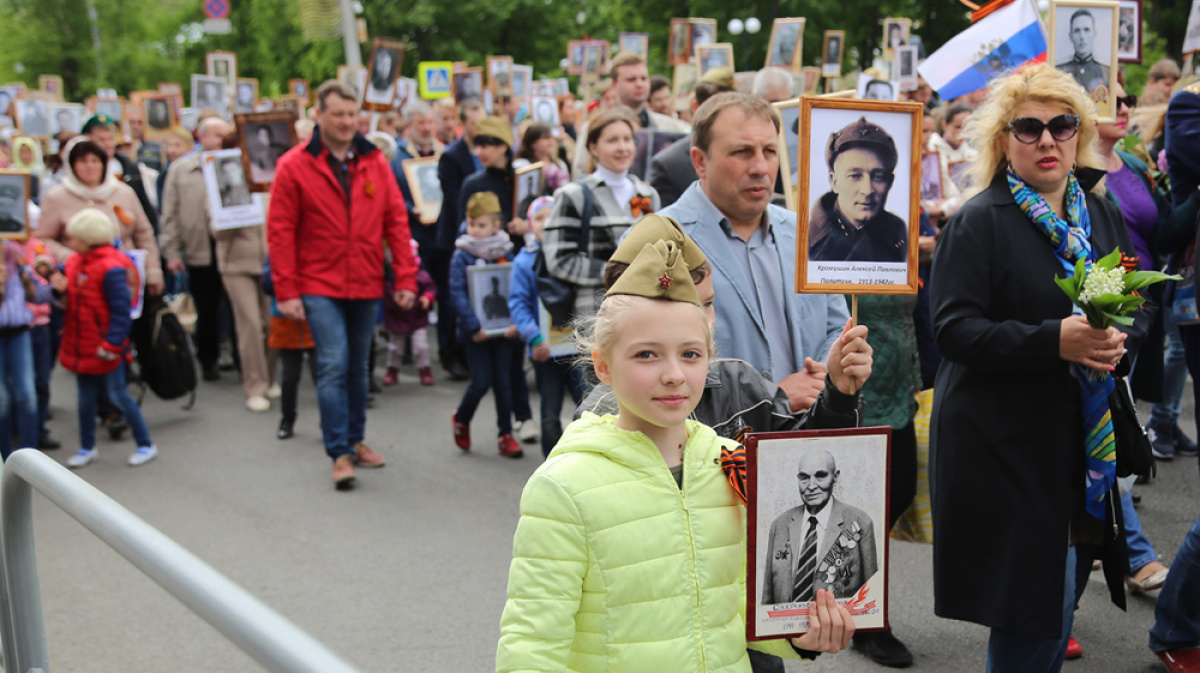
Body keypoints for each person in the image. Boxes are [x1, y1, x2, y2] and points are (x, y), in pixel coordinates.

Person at [496, 233, 856, 672]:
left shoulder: (735, 464)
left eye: (690, 354)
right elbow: (531, 648)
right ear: (603, 365)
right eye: (646, 355)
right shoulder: (563, 487)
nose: (673, 375)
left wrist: (803, 635)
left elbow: (741, 616)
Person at [930, 63, 1148, 672]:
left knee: (1061, 599)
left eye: (1061, 124)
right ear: (1005, 140)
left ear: (1080, 132)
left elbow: (1121, 300)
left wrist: (1117, 336)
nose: (1047, 140)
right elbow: (953, 331)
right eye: (1028, 127)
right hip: (1005, 446)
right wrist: (1056, 340)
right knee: (1032, 611)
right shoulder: (979, 222)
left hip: (1079, 442)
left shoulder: (1098, 216)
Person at [267, 80, 419, 489]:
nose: (347, 122)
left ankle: (355, 439)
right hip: (317, 282)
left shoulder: (374, 162)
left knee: (358, 365)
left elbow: (396, 223)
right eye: (338, 114)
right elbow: (280, 232)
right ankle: (338, 452)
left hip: (366, 280)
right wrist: (287, 291)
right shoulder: (294, 165)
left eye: (353, 115)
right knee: (333, 363)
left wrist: (404, 276)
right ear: (319, 115)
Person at [660, 92, 850, 414]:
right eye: (742, 152)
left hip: (808, 440)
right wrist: (769, 396)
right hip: (712, 451)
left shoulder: (809, 231)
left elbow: (836, 326)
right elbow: (650, 367)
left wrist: (824, 378)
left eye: (770, 151)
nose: (761, 167)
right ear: (700, 161)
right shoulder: (661, 243)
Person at [54, 209, 158, 468]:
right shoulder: (76, 261)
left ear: (88, 239)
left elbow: (121, 311)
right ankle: (87, 446)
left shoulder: (111, 267)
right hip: (82, 343)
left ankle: (145, 443)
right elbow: (58, 278)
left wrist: (112, 343)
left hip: (103, 346)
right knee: (85, 399)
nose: (69, 242)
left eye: (74, 238)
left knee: (118, 394)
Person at [458, 116, 538, 444]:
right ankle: (517, 419)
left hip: (518, 266)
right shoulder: (473, 183)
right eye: (477, 144)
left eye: (488, 144)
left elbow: (538, 214)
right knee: (499, 360)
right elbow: (460, 230)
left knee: (515, 346)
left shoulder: (522, 178)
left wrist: (526, 225)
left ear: (504, 145)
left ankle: (521, 417)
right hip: (484, 275)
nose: (481, 151)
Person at [545, 108, 660, 326]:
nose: (622, 147)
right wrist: (617, 272)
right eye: (612, 140)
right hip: (597, 315)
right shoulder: (573, 195)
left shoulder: (648, 194)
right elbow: (559, 260)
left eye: (627, 139)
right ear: (593, 147)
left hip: (646, 311)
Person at [509, 197, 587, 457]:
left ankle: (586, 459)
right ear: (530, 225)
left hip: (578, 347)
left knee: (588, 408)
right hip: (547, 351)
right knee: (550, 413)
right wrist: (533, 337)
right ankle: (552, 464)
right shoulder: (524, 262)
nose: (546, 223)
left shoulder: (573, 258)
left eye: (552, 217)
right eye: (539, 218)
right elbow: (518, 304)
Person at [449, 192, 523, 458]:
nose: (474, 230)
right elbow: (456, 292)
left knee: (503, 383)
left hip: (503, 330)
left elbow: (516, 288)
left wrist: (516, 321)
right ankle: (462, 418)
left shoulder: (507, 251)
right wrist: (472, 327)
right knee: (480, 382)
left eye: (481, 225)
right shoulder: (462, 254)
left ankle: (505, 434)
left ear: (496, 225)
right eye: (471, 225)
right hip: (477, 332)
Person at [161, 117, 229, 384]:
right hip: (200, 248)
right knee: (207, 306)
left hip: (232, 246)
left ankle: (237, 355)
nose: (222, 140)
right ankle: (208, 358)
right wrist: (172, 252)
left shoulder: (237, 164)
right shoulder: (181, 169)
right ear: (202, 137)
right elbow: (170, 214)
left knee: (238, 308)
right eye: (217, 135)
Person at [761, 450, 879, 604]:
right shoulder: (780, 525)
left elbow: (870, 596)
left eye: (820, 476)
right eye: (804, 478)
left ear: (835, 477)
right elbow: (768, 597)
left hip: (837, 623)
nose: (811, 486)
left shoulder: (859, 522)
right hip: (786, 624)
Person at [433, 99, 488, 381]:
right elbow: (457, 204)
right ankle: (449, 353)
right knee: (452, 297)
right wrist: (467, 239)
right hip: (458, 237)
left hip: (484, 234)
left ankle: (472, 351)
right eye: (474, 124)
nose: (480, 129)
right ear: (463, 125)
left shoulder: (487, 151)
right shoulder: (452, 156)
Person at [572, 52, 689, 176]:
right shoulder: (593, 127)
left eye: (643, 78)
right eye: (631, 79)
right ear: (614, 85)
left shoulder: (671, 128)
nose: (639, 84)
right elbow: (580, 173)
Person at [808, 117, 908, 263]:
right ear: (834, 181)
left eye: (878, 176)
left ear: (890, 182)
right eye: (855, 176)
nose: (867, 190)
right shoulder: (805, 238)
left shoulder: (900, 234)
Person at [646, 72, 737, 209]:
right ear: (696, 107)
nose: (726, 116)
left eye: (731, 108)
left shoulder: (752, 155)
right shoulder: (669, 164)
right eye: (717, 109)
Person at [0, 238, 55, 459]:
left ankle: (31, 456)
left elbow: (39, 293)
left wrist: (56, 288)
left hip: (20, 331)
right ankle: (5, 457)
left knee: (27, 394)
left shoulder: (15, 255)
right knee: (1, 399)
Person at [381, 241, 436, 387]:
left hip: (417, 316)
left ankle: (425, 370)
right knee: (395, 348)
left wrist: (427, 297)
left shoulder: (420, 274)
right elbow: (386, 295)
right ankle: (392, 370)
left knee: (420, 346)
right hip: (396, 317)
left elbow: (430, 288)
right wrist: (394, 302)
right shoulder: (390, 277)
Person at [1056, 9, 1111, 95]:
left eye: (1086, 30)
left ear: (1094, 33)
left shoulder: (1107, 72)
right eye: (1077, 31)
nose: (1082, 37)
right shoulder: (1058, 71)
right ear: (1071, 36)